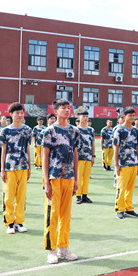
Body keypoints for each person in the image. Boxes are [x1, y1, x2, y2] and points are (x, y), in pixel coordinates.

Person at [42, 98, 79, 264]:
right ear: (55, 111)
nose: (67, 110)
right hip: (54, 177)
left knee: (66, 215)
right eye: (63, 108)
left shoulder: (74, 131)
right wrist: (46, 182)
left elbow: (75, 155)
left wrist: (76, 179)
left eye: (68, 108)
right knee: (53, 215)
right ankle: (52, 250)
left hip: (69, 178)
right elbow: (45, 156)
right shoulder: (50, 131)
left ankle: (63, 248)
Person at [0, 102, 32, 234]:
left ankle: (19, 222)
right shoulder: (5, 131)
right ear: (11, 115)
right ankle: (9, 223)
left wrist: (29, 167)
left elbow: (28, 149)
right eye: (17, 113)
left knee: (21, 197)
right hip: (10, 168)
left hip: (23, 167)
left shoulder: (27, 130)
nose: (20, 115)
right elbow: (3, 151)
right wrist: (2, 170)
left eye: (21, 113)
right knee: (8, 197)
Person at [113, 107, 138, 219]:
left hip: (133, 163)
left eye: (133, 115)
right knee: (121, 188)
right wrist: (116, 165)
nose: (132, 117)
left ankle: (129, 208)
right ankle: (119, 209)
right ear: (124, 116)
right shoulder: (119, 130)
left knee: (130, 188)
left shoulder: (136, 131)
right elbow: (116, 148)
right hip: (123, 164)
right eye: (130, 115)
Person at [75, 109, 95, 204]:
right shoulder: (75, 130)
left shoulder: (91, 130)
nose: (85, 118)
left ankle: (85, 195)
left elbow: (92, 143)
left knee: (86, 178)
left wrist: (93, 156)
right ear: (79, 117)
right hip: (79, 157)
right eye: (83, 116)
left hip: (88, 157)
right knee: (79, 177)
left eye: (87, 116)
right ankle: (78, 196)